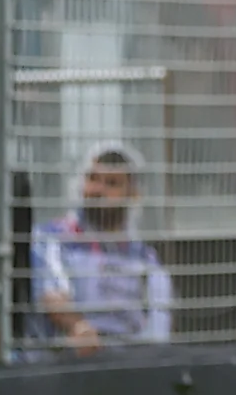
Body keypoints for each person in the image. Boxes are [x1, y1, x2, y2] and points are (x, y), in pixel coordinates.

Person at [30, 143, 173, 357]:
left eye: (112, 183)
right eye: (93, 179)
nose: (98, 190)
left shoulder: (144, 257)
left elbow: (159, 325)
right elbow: (52, 297)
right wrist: (79, 328)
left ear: (133, 194)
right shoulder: (53, 238)